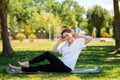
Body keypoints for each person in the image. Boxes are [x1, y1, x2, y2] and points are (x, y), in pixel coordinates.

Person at [9, 28, 92, 73]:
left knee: (47, 54)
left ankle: (28, 63)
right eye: (65, 37)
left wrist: (79, 36)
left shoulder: (78, 43)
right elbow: (54, 50)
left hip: (67, 68)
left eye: (67, 35)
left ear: (71, 33)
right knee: (41, 67)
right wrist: (60, 40)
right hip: (60, 66)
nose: (67, 38)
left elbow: (90, 38)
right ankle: (19, 69)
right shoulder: (65, 44)